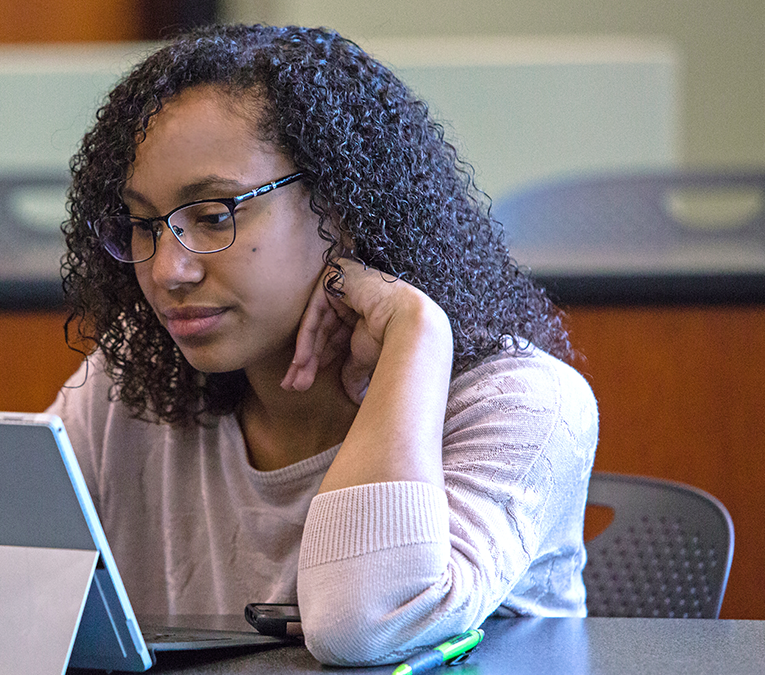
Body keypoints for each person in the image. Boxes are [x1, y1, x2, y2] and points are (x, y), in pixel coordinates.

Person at [47, 23, 598, 667]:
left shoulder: (522, 401)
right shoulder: (128, 386)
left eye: (214, 215)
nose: (169, 270)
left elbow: (360, 627)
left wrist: (416, 337)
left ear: (341, 206)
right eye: (144, 226)